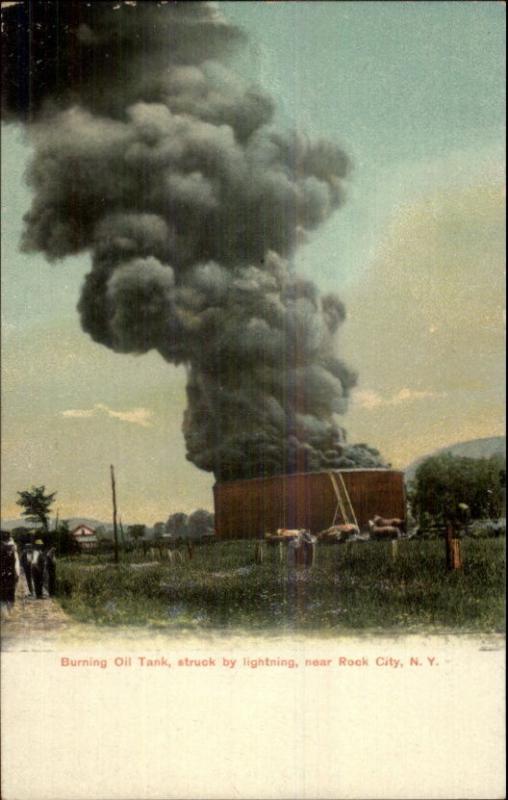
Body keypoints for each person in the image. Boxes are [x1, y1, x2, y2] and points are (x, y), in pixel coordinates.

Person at [1, 530, 20, 615]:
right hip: (4, 574)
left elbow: (16, 563)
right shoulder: (5, 550)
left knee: (9, 591)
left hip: (10, 574)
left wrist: (16, 573)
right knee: (4, 592)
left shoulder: (13, 551)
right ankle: (6, 611)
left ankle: (9, 610)